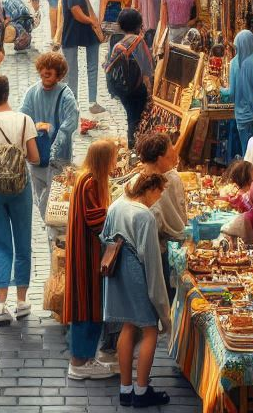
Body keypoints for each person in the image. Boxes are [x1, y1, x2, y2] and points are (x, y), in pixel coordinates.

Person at [101, 173, 172, 409]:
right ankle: (141, 390)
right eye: (159, 192)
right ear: (150, 189)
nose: (160, 197)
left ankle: (125, 388)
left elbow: (105, 237)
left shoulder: (117, 205)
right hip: (135, 273)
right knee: (150, 329)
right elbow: (152, 261)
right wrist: (162, 305)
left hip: (117, 271)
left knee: (127, 325)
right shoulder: (145, 216)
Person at [0, 75, 40, 324]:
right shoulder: (24, 120)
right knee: (23, 241)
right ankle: (21, 300)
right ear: (7, 93)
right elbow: (33, 157)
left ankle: (0, 303)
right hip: (20, 186)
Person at [64, 139, 119, 380]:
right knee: (87, 307)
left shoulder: (85, 177)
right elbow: (96, 220)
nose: (115, 163)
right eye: (113, 158)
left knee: (86, 306)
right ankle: (79, 361)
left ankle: (84, 358)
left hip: (83, 252)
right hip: (86, 255)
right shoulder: (91, 182)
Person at [20, 51, 79, 239]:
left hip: (58, 159)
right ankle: (53, 234)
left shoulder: (66, 95)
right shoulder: (31, 92)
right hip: (36, 156)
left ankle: (55, 236)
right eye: (43, 72)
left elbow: (70, 122)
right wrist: (35, 127)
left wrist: (53, 133)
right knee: (40, 197)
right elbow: (23, 118)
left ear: (59, 74)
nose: (45, 75)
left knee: (55, 198)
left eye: (50, 73)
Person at [133, 133, 186, 298]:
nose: (173, 155)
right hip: (159, 250)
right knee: (163, 298)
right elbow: (178, 223)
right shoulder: (168, 181)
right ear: (159, 158)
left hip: (139, 252)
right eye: (169, 153)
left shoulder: (137, 179)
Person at [59, 0, 104, 114]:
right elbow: (76, 13)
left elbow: (76, 12)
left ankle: (76, 102)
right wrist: (92, 20)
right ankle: (88, 102)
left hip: (72, 34)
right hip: (84, 32)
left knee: (72, 70)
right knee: (88, 68)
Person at [105, 9, 154, 147]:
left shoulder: (115, 42)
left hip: (121, 89)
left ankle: (132, 143)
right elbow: (148, 68)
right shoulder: (139, 41)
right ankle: (134, 145)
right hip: (137, 88)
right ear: (139, 26)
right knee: (136, 118)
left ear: (120, 25)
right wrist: (150, 89)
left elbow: (109, 64)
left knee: (131, 115)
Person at [229, 29, 253, 157]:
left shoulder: (234, 63)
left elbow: (232, 93)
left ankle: (247, 175)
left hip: (241, 115)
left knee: (247, 151)